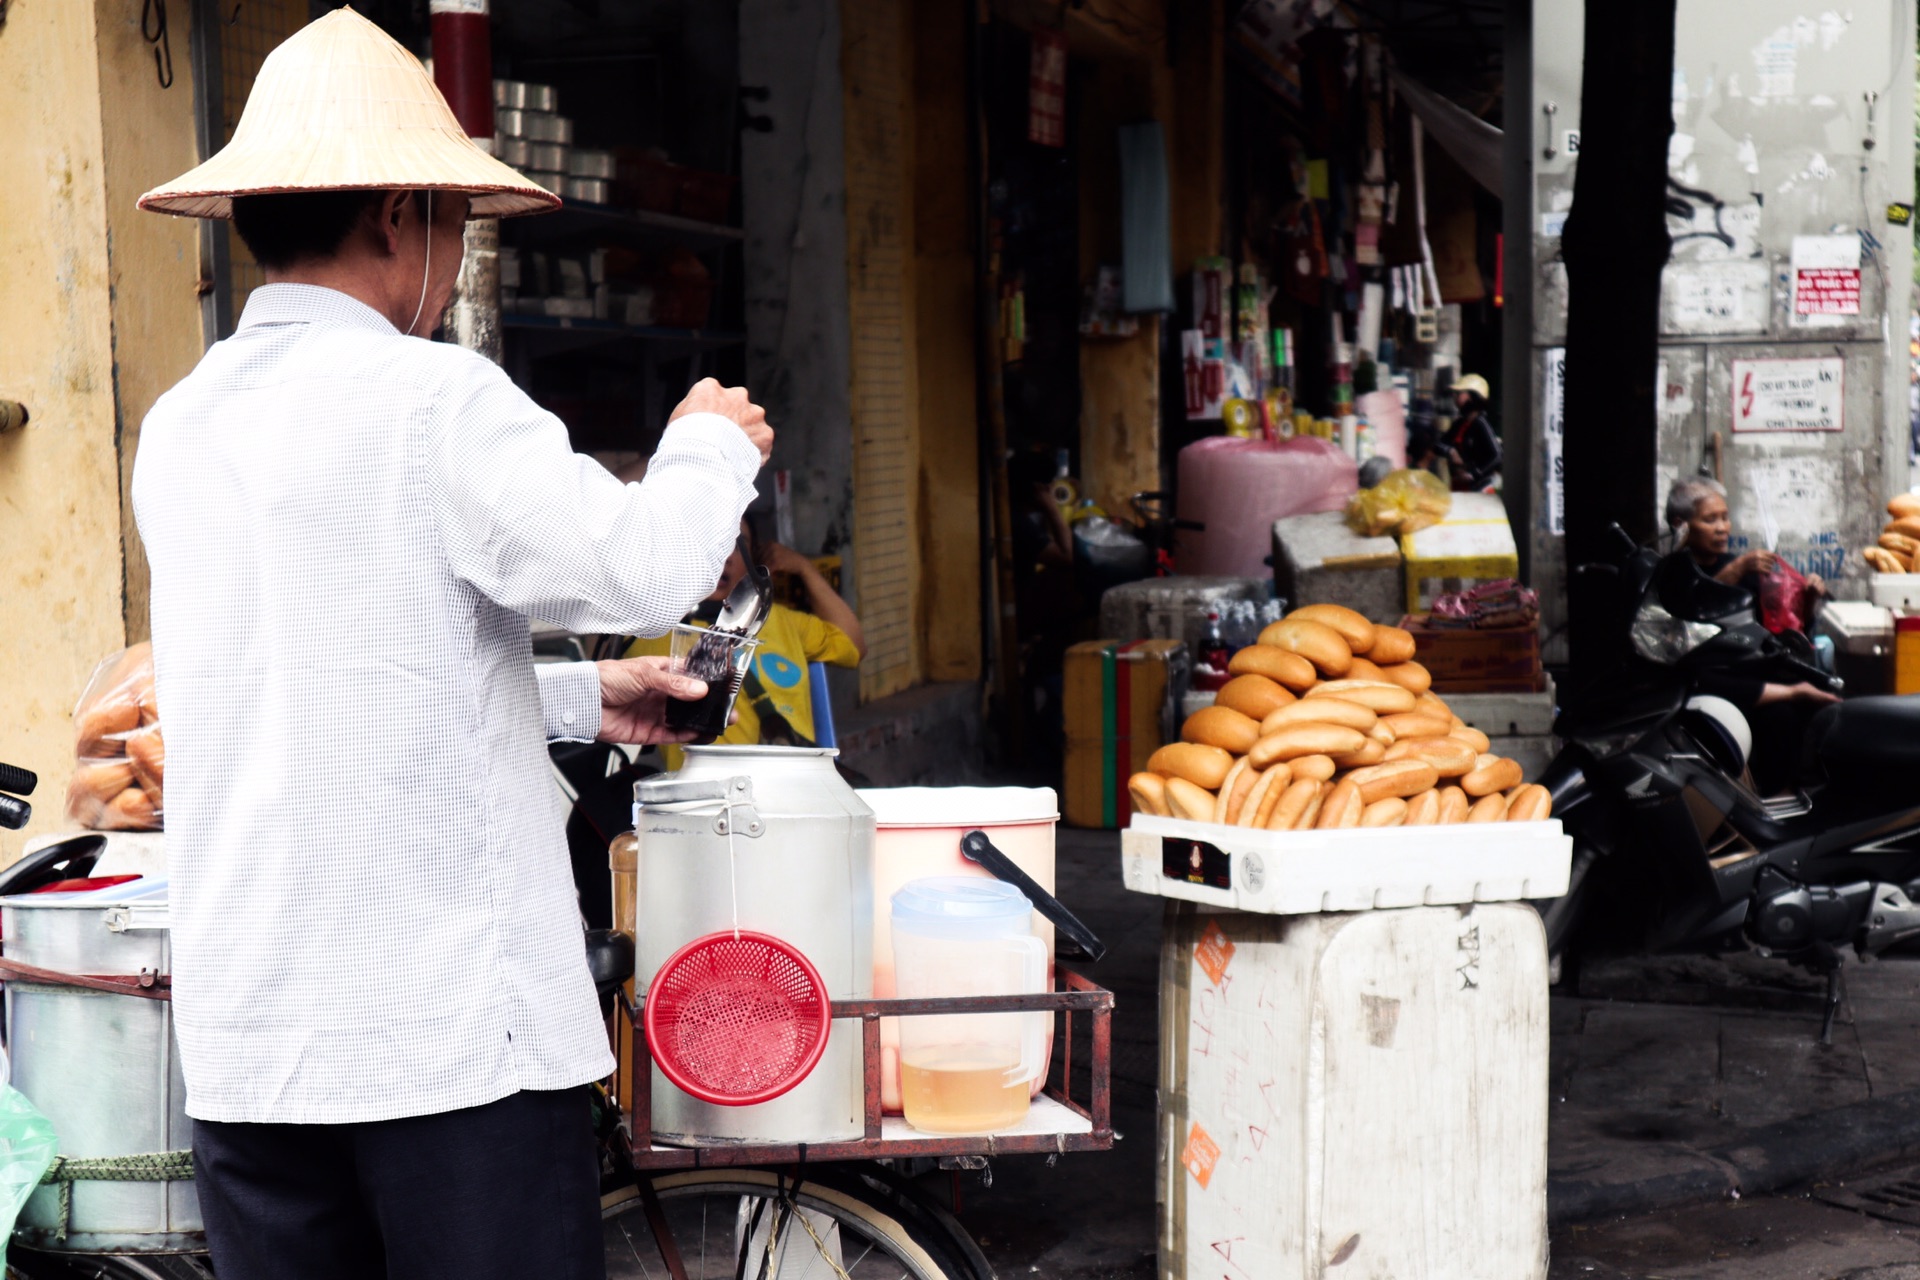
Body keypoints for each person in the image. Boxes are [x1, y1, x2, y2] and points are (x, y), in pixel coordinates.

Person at [129, 12, 768, 1278]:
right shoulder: (434, 402)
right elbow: (643, 563)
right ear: (397, 218)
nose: (454, 248)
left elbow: (334, 677)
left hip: (255, 1046)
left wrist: (588, 697)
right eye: (453, 221)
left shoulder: (181, 425)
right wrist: (711, 444)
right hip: (446, 1051)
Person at [624, 520, 864, 755]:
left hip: (791, 777)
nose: (725, 555)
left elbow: (854, 647)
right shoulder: (656, 628)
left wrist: (803, 568)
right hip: (708, 783)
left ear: (754, 559)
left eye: (737, 544)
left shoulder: (780, 620)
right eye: (711, 541)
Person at [1663, 476, 1837, 791]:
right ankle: (1771, 790)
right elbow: (1695, 607)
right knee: (1780, 714)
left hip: (1746, 665)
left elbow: (1781, 627)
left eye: (1725, 518)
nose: (1722, 528)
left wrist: (1808, 598)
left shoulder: (1737, 565)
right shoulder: (1673, 572)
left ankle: (1808, 787)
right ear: (1681, 525)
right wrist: (1737, 570)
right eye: (1709, 519)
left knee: (1819, 692)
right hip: (1704, 675)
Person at [1422, 373, 1501, 491]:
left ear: (1472, 396)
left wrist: (1474, 473)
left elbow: (1496, 455)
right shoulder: (1460, 423)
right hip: (1460, 485)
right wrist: (1451, 451)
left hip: (1479, 488)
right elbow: (1440, 444)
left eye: (1459, 393)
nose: (1455, 397)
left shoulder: (1480, 424)